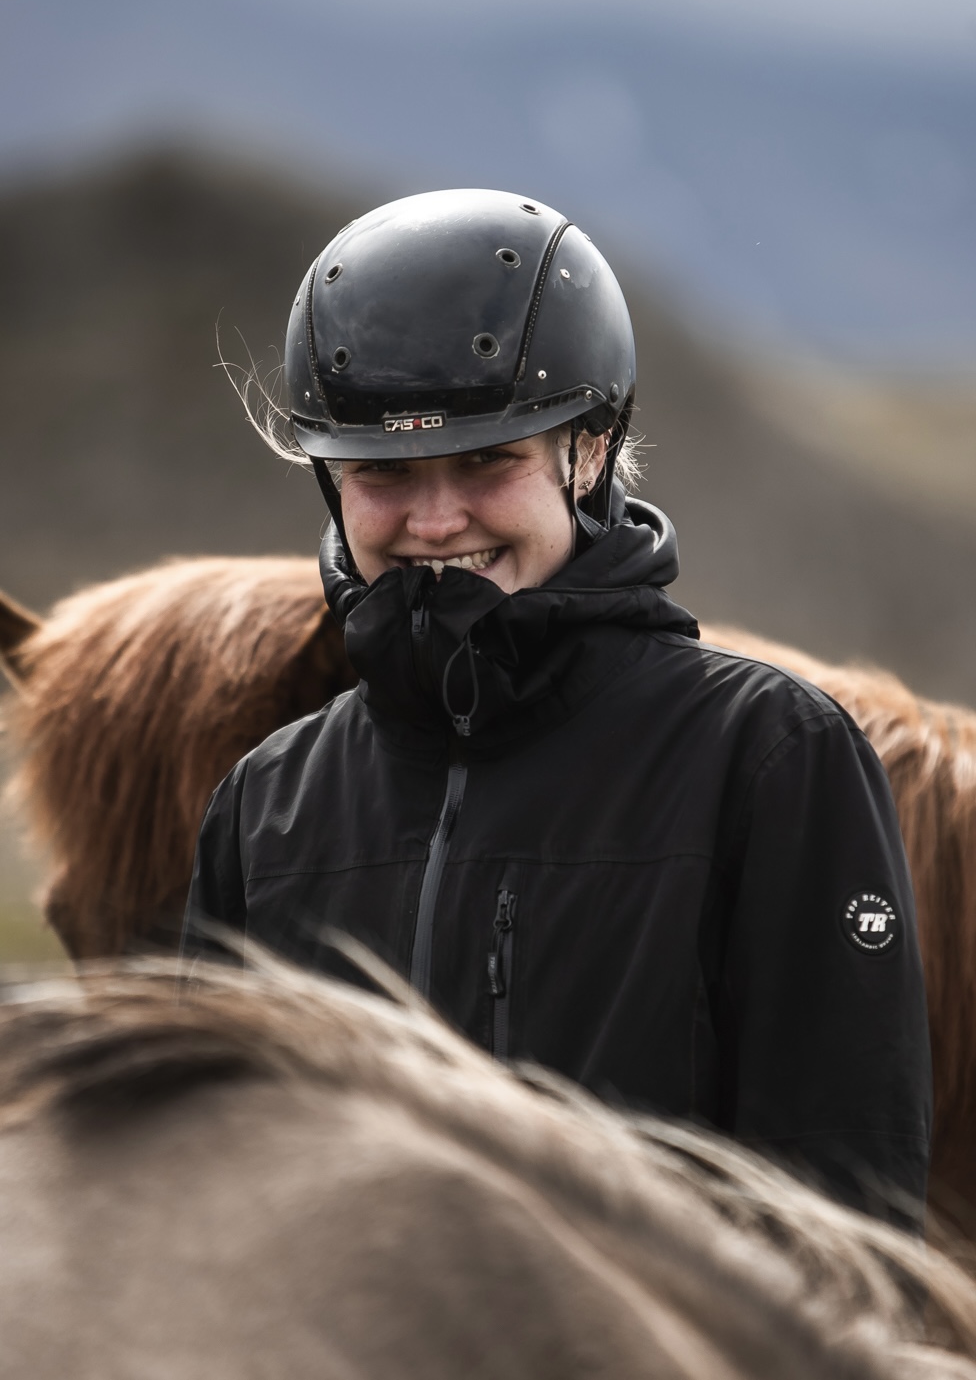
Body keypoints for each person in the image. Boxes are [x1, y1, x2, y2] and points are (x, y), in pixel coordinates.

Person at [184, 188, 931, 1226]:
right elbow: (206, 1200)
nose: (434, 519)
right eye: (382, 471)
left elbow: (845, 1217)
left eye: (487, 458)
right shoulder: (264, 807)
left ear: (586, 451)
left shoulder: (769, 757)